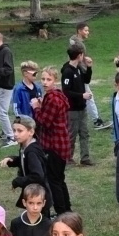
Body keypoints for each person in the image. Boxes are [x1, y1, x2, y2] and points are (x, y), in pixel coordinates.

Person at [32, 69, 74, 214]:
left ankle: (62, 212)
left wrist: (36, 108)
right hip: (61, 143)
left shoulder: (52, 98)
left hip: (54, 145)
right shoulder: (57, 95)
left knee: (54, 181)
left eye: (48, 79)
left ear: (55, 80)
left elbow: (45, 122)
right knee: (59, 179)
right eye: (43, 79)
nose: (45, 82)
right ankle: (67, 209)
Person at [61, 43, 94, 166]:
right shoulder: (67, 71)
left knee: (84, 133)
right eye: (82, 54)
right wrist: (81, 95)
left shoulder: (78, 68)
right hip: (72, 109)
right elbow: (66, 91)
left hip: (82, 107)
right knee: (72, 134)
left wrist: (89, 68)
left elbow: (86, 80)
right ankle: (68, 158)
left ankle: (85, 158)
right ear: (79, 55)